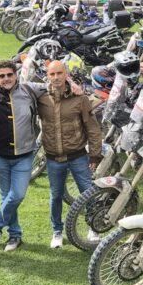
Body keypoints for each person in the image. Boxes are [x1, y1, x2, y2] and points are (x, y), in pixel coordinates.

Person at [37, 60, 102, 248]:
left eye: (59, 73)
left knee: (88, 193)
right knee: (56, 195)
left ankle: (93, 228)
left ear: (66, 74)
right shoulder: (41, 97)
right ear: (47, 76)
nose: (56, 77)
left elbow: (92, 127)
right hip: (53, 158)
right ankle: (57, 231)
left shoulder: (79, 98)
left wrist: (95, 154)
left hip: (78, 157)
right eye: (52, 74)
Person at [0, 60, 48, 252]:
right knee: (6, 197)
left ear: (16, 74)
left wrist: (73, 85)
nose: (6, 79)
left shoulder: (30, 89)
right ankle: (15, 236)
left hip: (24, 155)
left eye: (9, 75)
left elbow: (54, 84)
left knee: (17, 195)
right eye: (2, 76)